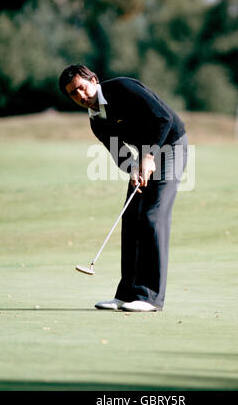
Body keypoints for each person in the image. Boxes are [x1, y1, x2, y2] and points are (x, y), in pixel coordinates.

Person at [59, 64, 188, 312]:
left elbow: (164, 118)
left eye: (82, 88)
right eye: (73, 94)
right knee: (131, 217)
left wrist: (148, 157)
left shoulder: (122, 88)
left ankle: (150, 297)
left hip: (171, 144)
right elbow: (119, 154)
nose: (81, 96)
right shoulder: (96, 120)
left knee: (152, 216)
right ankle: (127, 294)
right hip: (145, 155)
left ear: (94, 80)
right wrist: (133, 171)